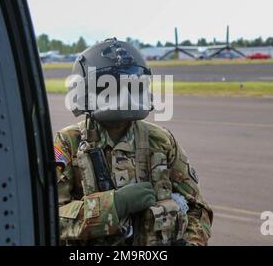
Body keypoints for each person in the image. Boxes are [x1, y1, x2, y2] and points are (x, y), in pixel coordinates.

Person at [54, 38, 213, 245]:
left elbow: (197, 210)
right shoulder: (69, 143)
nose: (125, 95)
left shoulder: (161, 141)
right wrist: (115, 205)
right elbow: (50, 218)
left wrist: (191, 243)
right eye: (112, 87)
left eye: (133, 85)